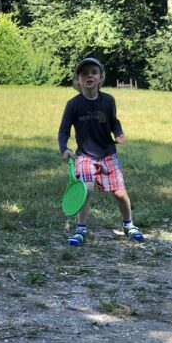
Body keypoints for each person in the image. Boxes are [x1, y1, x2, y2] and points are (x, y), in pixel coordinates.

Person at [58, 56, 143, 247]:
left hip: (107, 153)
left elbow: (114, 122)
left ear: (101, 77)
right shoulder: (73, 104)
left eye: (93, 72)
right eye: (84, 73)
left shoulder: (108, 100)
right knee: (86, 190)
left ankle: (128, 225)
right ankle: (80, 229)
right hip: (85, 155)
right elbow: (63, 131)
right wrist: (64, 148)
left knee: (119, 192)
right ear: (78, 80)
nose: (89, 76)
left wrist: (119, 133)